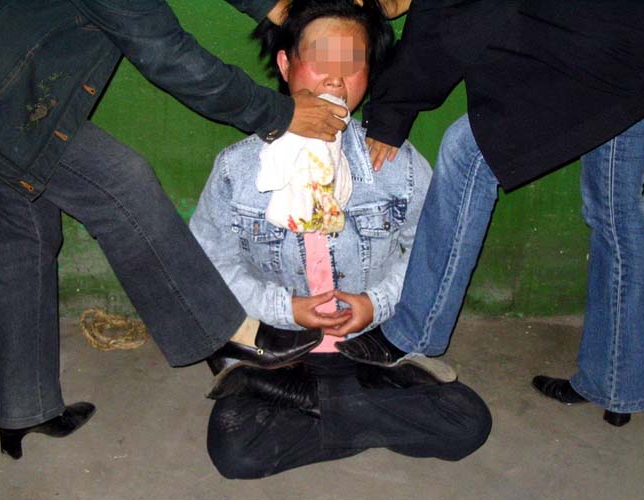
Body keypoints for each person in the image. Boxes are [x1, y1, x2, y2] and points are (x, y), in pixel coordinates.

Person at [0, 0, 355, 460]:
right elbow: (168, 56)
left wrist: (278, 7)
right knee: (123, 183)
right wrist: (279, 112)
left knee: (24, 234)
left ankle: (26, 406)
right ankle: (228, 334)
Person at [190, 0, 491, 479]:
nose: (335, 78)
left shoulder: (396, 162)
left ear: (369, 74)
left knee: (468, 423)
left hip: (374, 352)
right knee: (235, 452)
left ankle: (322, 409)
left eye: (351, 62)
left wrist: (376, 303)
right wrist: (286, 308)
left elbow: (431, 255)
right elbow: (208, 266)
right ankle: (357, 414)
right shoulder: (237, 169)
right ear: (286, 64)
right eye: (319, 59)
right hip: (278, 357)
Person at [334, 0, 644, 427]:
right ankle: (614, 382)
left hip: (609, 46)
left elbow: (441, 33)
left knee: (467, 152)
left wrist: (389, 115)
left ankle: (412, 334)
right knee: (616, 212)